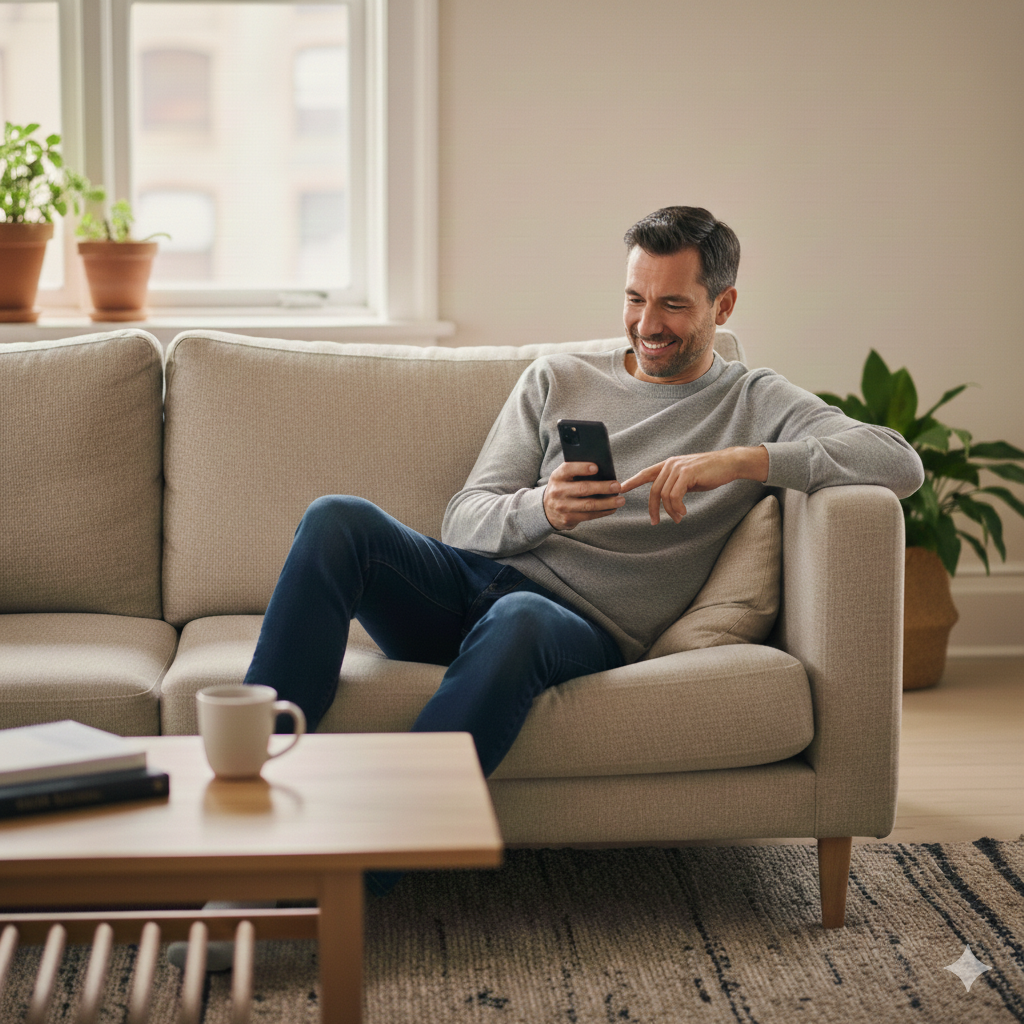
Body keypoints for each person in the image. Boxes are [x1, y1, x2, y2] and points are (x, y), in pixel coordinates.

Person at [242, 204, 923, 889]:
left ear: (725, 304)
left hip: (574, 627)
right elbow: (463, 520)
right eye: (635, 298)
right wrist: (543, 507)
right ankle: (240, 814)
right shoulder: (558, 377)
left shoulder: (753, 399)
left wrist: (744, 462)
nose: (648, 324)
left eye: (674, 305)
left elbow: (897, 461)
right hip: (468, 588)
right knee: (337, 519)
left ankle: (355, 869)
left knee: (522, 617)